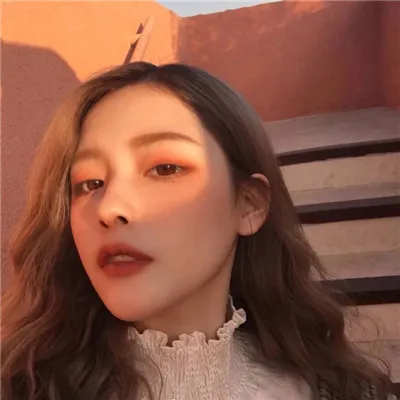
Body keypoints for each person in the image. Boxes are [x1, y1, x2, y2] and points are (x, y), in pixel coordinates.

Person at [1, 62, 396, 400]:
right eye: (90, 183)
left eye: (165, 168)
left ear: (250, 204)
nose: (109, 207)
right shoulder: (23, 386)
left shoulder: (330, 390)